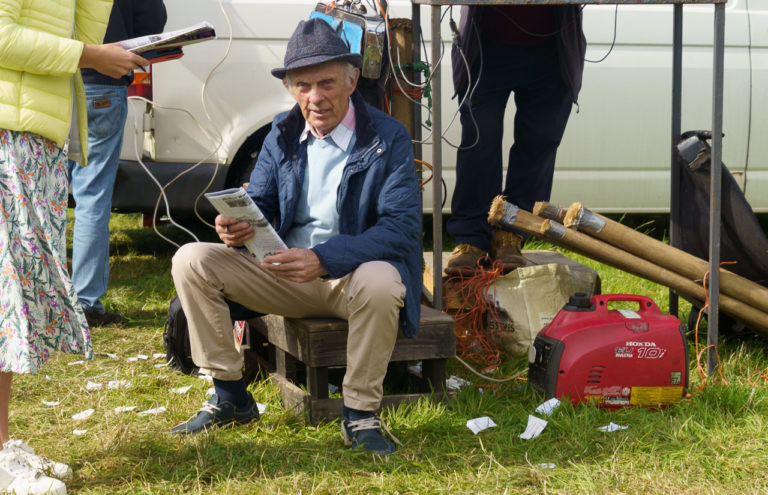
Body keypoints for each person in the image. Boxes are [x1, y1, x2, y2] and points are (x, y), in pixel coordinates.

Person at [171, 18, 422, 456]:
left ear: (351, 81)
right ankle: (230, 395)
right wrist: (240, 227)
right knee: (190, 259)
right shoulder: (282, 133)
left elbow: (400, 228)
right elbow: (264, 202)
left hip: (352, 280)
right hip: (285, 273)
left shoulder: (388, 137)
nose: (315, 97)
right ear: (290, 88)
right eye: (303, 85)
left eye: (326, 83)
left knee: (383, 280)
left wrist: (324, 258)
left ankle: (361, 414)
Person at [0, 0, 148, 495]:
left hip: (33, 136)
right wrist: (90, 54)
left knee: (10, 298)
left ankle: (0, 443)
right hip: (8, 137)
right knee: (4, 297)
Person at [445, 5, 586, 274]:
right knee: (479, 142)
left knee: (539, 143)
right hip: (485, 43)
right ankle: (471, 240)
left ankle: (511, 235)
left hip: (552, 47)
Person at [69, 0, 167, 327]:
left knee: (44, 197)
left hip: (50, 78)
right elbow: (153, 18)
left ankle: (43, 302)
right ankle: (87, 305)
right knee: (92, 197)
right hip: (103, 82)